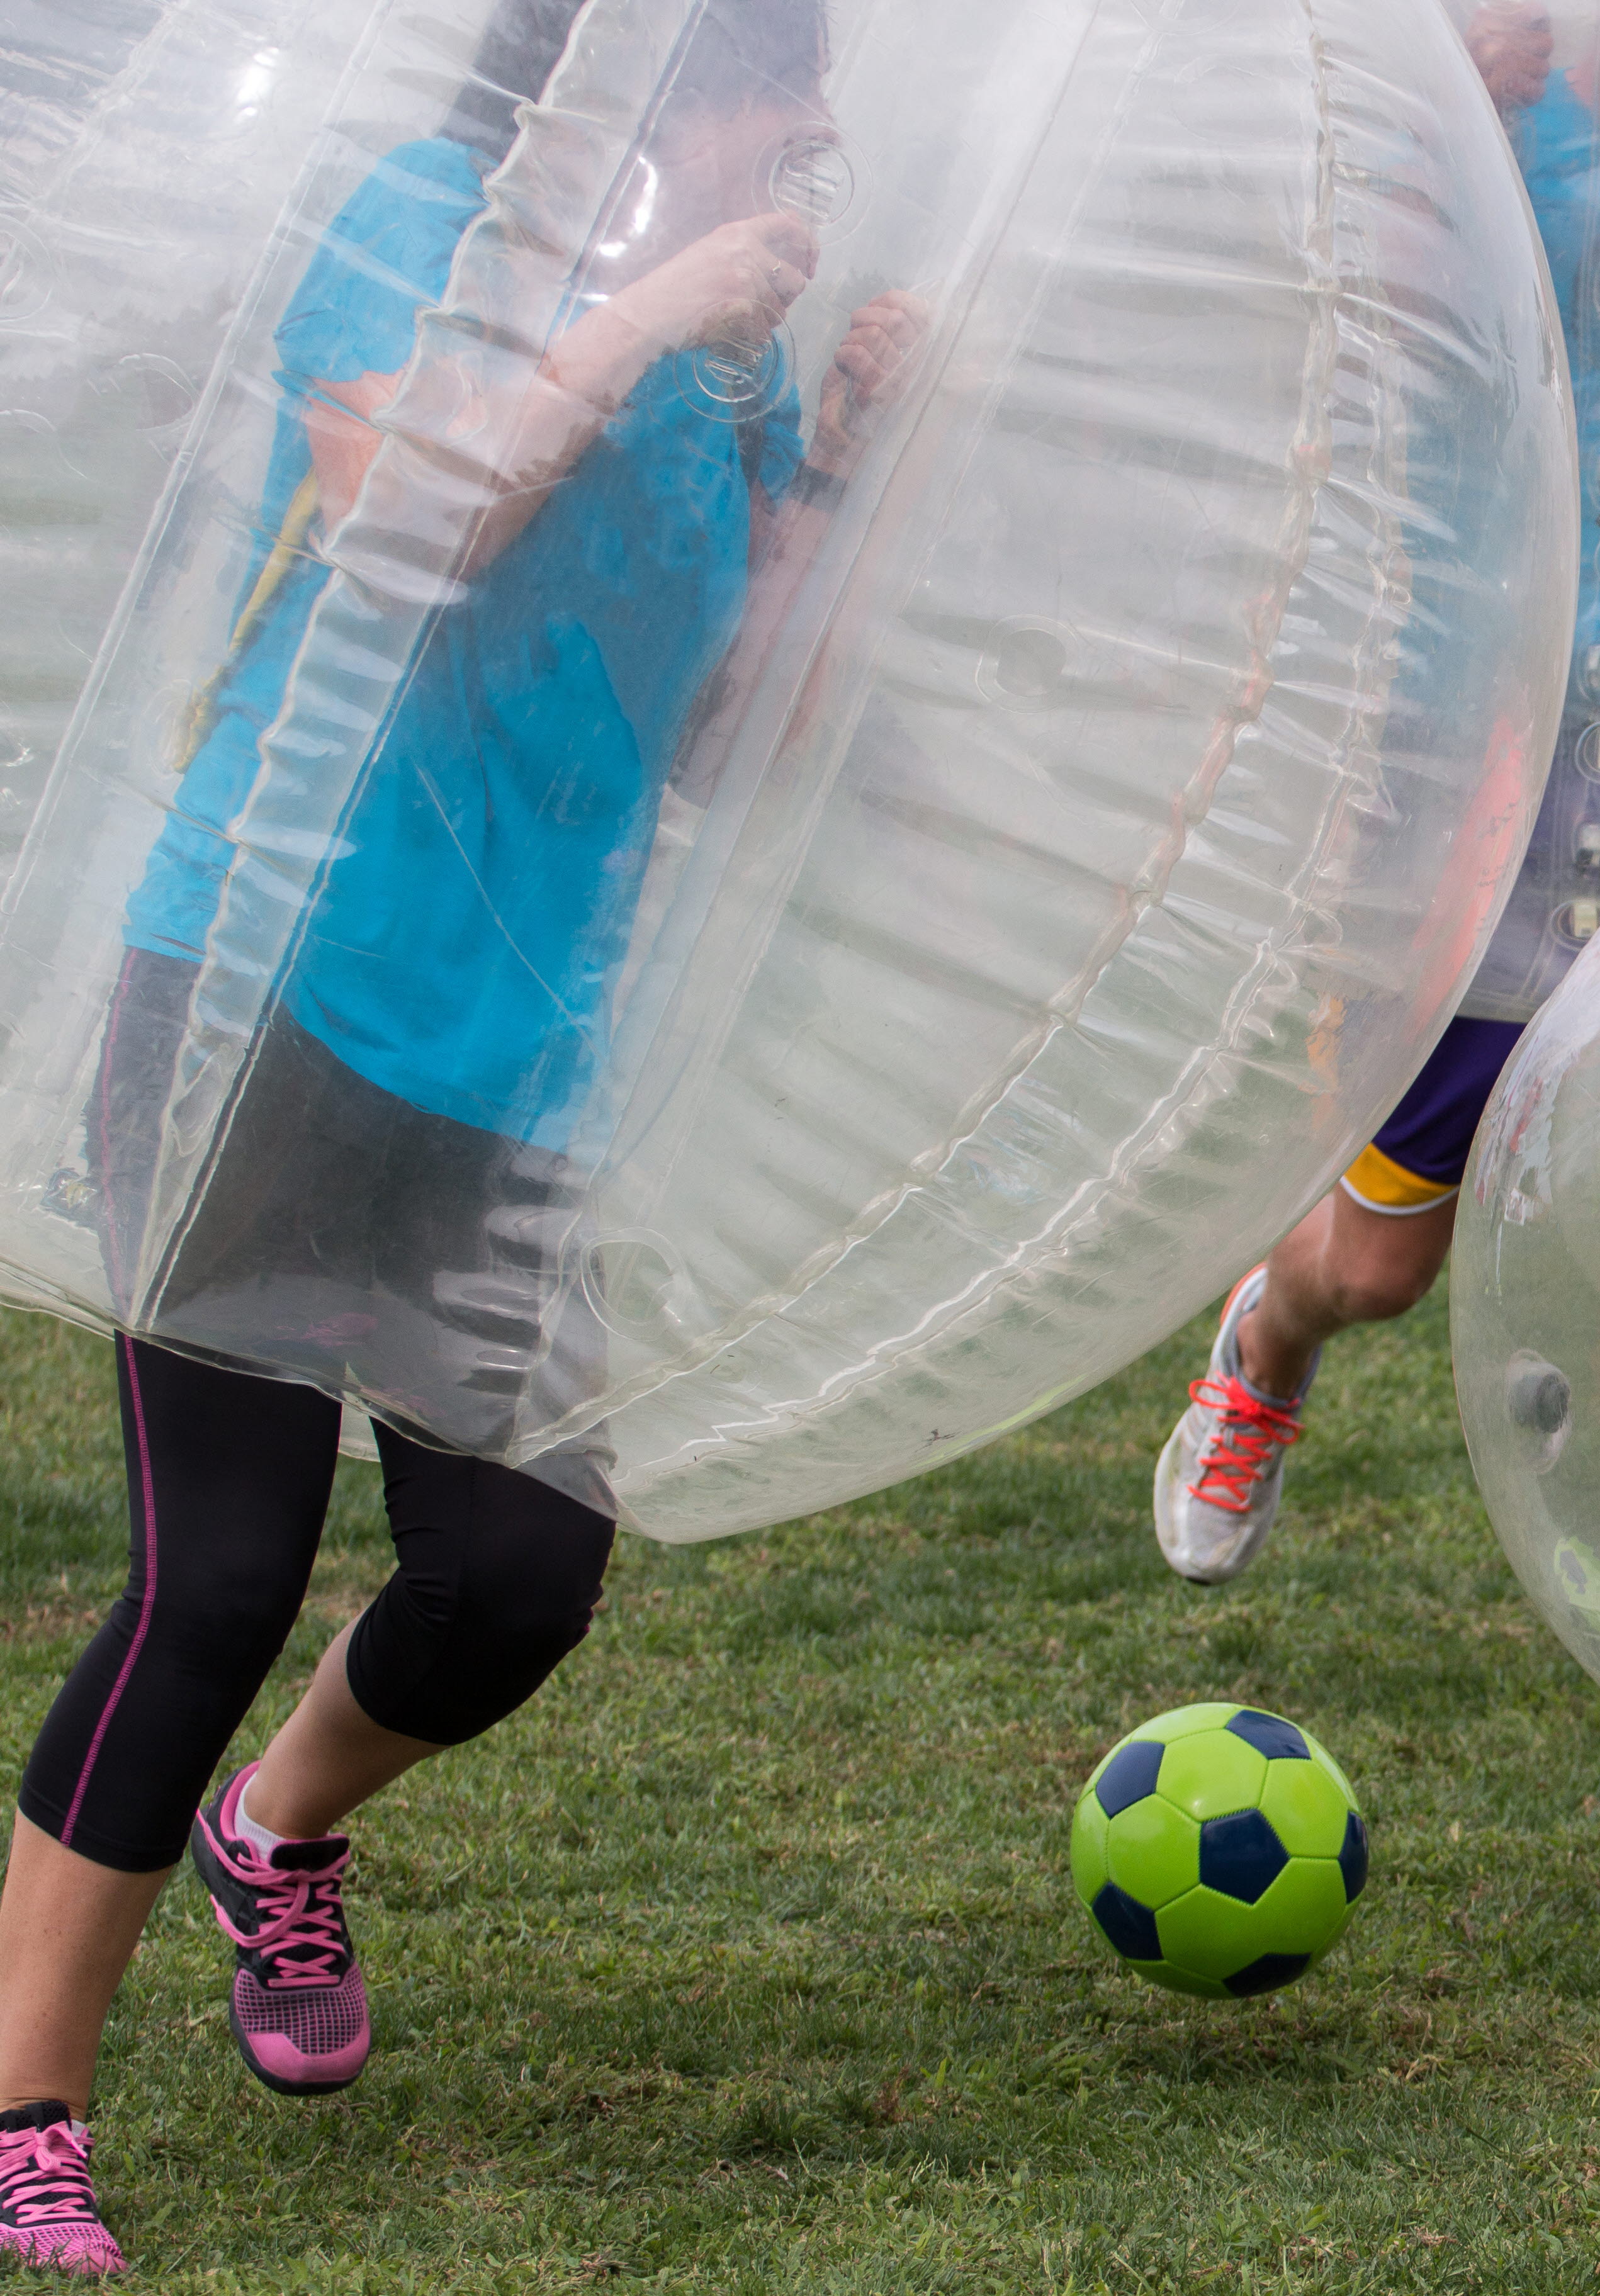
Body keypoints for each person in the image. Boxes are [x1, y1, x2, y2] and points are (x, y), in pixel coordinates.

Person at [0, 0, 921, 2271]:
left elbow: (719, 725)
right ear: (649, 93)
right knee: (216, 1570)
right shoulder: (411, 225)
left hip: (505, 1068)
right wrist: (648, 311)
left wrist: (836, 460)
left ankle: (278, 1835)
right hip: (256, 1002)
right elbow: (418, 506)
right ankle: (21, 2103)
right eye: (779, 78)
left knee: (517, 1571)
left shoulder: (722, 359)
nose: (819, 123)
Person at [1154, 0, 1600, 1584]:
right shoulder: (1490, 94)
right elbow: (1376, 382)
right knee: (1378, 1261)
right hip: (1511, 749)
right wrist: (1455, 139)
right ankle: (1270, 1336)